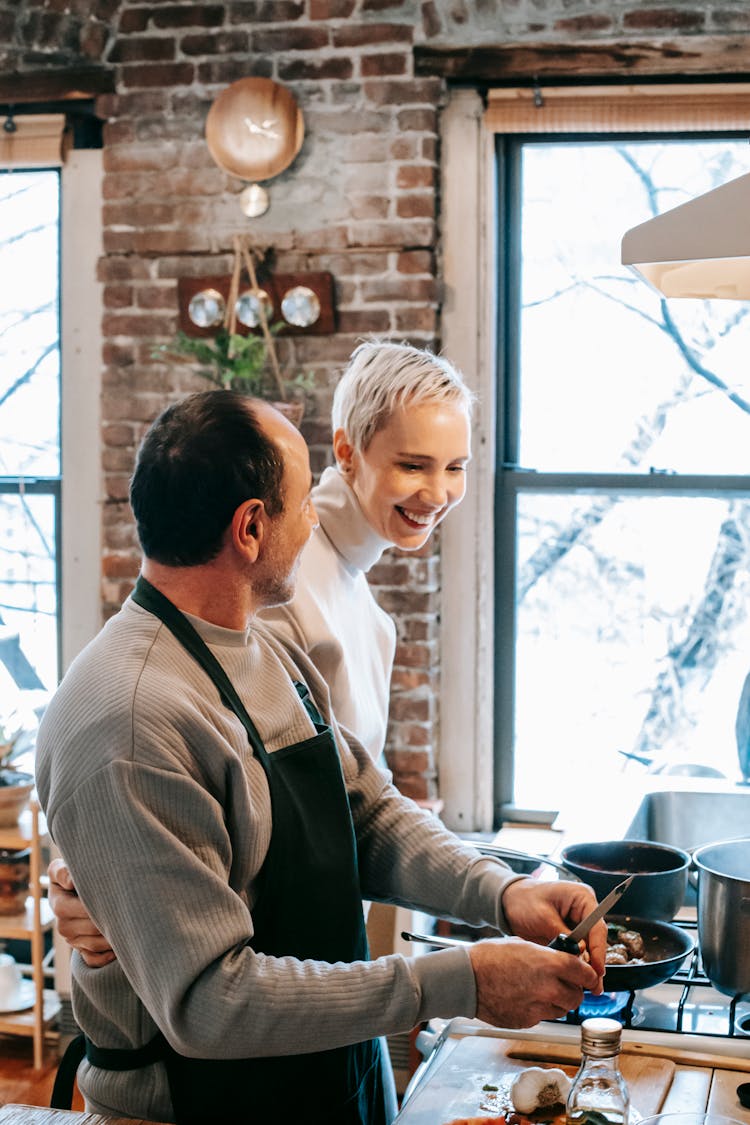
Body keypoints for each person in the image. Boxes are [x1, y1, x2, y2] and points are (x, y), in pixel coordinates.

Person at [38, 390, 605, 1125]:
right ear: (250, 528)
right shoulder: (131, 721)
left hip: (334, 1074)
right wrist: (456, 980)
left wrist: (499, 892)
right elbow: (211, 1001)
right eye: (307, 501)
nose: (314, 523)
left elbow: (363, 812)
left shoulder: (265, 645)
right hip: (207, 1110)